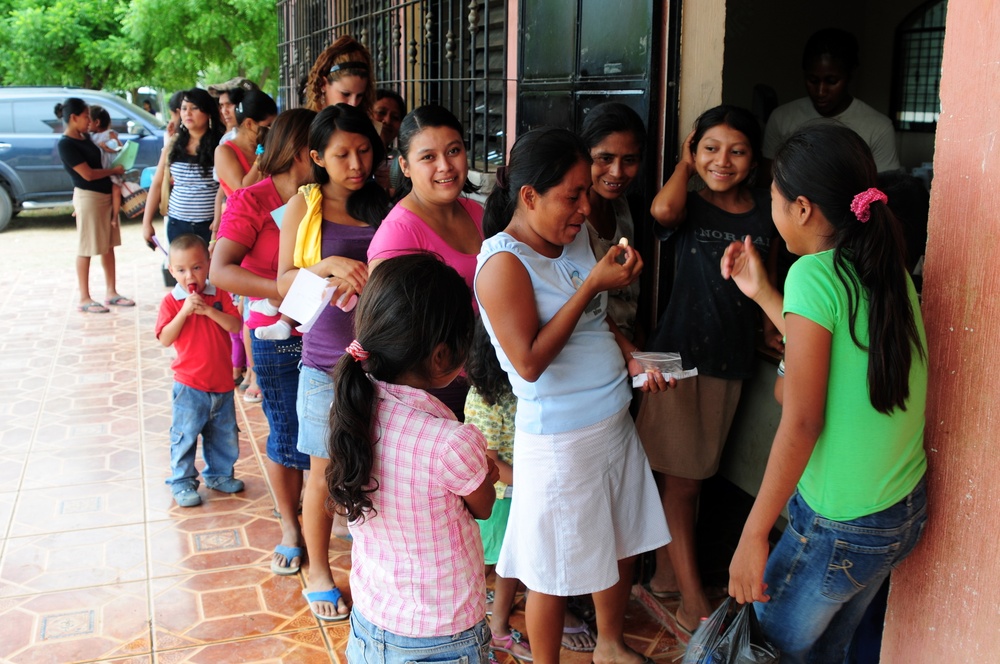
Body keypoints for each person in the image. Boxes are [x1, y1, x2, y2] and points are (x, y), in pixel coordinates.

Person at [722, 123, 927, 663]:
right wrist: (763, 293)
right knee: (827, 653)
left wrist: (753, 534)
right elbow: (830, 365)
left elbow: (802, 416)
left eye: (773, 198)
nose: (771, 208)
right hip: (897, 510)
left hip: (839, 525)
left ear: (804, 209)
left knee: (763, 651)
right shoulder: (887, 271)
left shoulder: (812, 275)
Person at [475, 127, 673, 664]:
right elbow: (530, 363)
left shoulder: (572, 237)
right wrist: (591, 285)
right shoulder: (502, 264)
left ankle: (609, 643)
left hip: (612, 418)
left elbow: (595, 322)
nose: (585, 207)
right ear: (529, 196)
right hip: (562, 438)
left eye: (587, 192)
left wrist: (631, 355)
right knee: (553, 571)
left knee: (619, 538)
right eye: (573, 195)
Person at [638, 105, 776, 638]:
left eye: (736, 150)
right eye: (711, 148)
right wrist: (684, 163)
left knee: (696, 477)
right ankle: (692, 599)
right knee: (682, 483)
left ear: (755, 159)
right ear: (695, 153)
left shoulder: (766, 213)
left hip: (730, 359)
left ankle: (671, 580)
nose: (723, 160)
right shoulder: (691, 207)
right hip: (676, 356)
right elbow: (663, 210)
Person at [329, 254, 497, 663]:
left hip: (371, 624)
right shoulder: (451, 442)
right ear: (442, 357)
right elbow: (485, 506)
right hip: (442, 637)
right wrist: (486, 471)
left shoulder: (355, 406)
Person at [275, 103, 388, 622]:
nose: (355, 163)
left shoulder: (386, 204)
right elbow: (282, 284)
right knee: (322, 470)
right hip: (325, 362)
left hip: (384, 361)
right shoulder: (305, 206)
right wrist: (322, 266)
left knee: (380, 470)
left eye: (363, 150)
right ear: (317, 157)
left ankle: (380, 565)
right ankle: (318, 570)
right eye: (341, 154)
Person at [209, 108, 318, 580]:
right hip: (276, 334)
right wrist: (285, 289)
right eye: (324, 151)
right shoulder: (252, 201)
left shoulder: (323, 197)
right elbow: (221, 270)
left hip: (327, 331)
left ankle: (321, 518)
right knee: (286, 432)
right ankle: (291, 529)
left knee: (326, 435)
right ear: (302, 153)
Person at [368, 104, 482, 418]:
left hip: (483, 377)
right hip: (433, 393)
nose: (445, 166)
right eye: (428, 157)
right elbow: (389, 333)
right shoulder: (398, 235)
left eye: (454, 151)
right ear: (404, 165)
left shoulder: (477, 214)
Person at [156, 234, 244, 507]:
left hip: (221, 383)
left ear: (208, 264)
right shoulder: (171, 302)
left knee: (224, 434)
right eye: (181, 270)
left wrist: (208, 311)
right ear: (171, 271)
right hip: (189, 384)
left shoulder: (218, 295)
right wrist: (184, 312)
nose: (189, 275)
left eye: (196, 267)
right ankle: (182, 482)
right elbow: (165, 338)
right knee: (185, 435)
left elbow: (235, 326)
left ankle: (219, 475)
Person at [464, 321, 532, 661]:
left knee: (507, 566)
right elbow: (488, 465)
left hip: (514, 492)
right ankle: (497, 630)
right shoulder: (485, 399)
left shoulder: (513, 388)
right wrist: (531, 480)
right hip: (501, 497)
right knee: (502, 566)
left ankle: (496, 625)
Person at [763, 28, 900, 174]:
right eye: (813, 80)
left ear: (850, 74)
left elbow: (885, 189)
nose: (821, 91)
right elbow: (767, 179)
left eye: (832, 81)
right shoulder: (782, 118)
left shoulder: (878, 127)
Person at [55, 98, 132, 314]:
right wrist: (113, 172)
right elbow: (87, 174)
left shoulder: (86, 137)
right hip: (89, 197)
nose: (89, 120)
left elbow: (103, 153)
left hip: (105, 194)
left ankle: (111, 291)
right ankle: (84, 297)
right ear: (74, 117)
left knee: (108, 245)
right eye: (86, 116)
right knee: (86, 247)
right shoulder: (66, 144)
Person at [580, 102, 646, 341]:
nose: (617, 172)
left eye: (629, 160)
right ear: (584, 155)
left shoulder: (624, 207)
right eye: (605, 158)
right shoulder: (570, 220)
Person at [143, 88, 224, 246]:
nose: (188, 113)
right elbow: (158, 183)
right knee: (181, 270)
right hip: (177, 224)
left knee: (208, 270)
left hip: (210, 226)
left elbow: (224, 188)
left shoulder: (220, 145)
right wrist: (147, 222)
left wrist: (218, 222)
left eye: (194, 108)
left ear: (208, 112)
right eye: (184, 108)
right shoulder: (174, 143)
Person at [214, 90, 277, 198]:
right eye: (268, 125)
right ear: (249, 123)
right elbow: (242, 190)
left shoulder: (265, 147)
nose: (272, 130)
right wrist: (261, 159)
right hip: (244, 214)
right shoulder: (224, 151)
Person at [304, 35, 376, 114]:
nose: (353, 104)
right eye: (346, 94)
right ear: (323, 84)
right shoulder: (303, 124)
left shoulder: (371, 125)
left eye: (359, 96)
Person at [88, 105, 124, 227]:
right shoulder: (91, 137)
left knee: (116, 189)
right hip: (102, 167)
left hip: (112, 165)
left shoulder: (110, 134)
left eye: (89, 120)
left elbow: (120, 147)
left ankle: (114, 216)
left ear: (97, 122)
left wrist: (107, 148)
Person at [372, 88, 406, 195]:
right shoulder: (354, 155)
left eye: (395, 117)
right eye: (381, 113)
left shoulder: (404, 161)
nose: (387, 120)